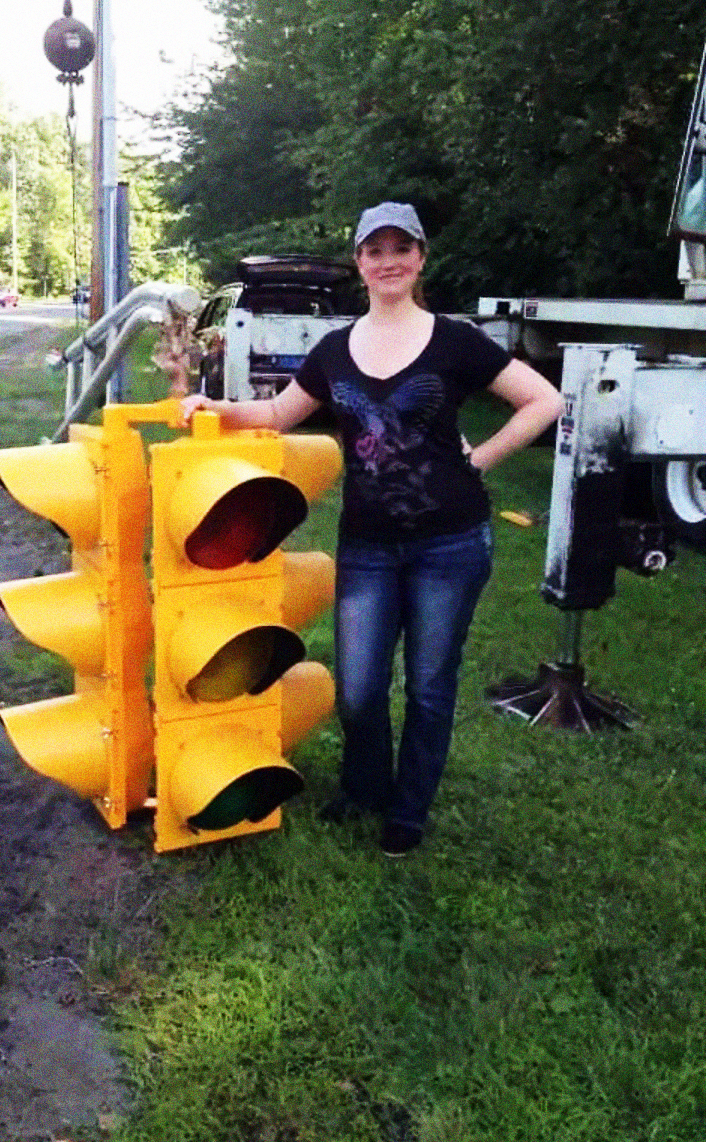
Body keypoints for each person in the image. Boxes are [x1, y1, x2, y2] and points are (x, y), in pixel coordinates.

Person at [180, 201, 564, 856]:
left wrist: (480, 458)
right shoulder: (334, 350)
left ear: (420, 258)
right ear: (360, 263)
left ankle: (406, 811)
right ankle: (364, 788)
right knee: (358, 691)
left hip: (451, 545)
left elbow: (545, 400)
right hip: (368, 549)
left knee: (430, 686)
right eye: (374, 250)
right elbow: (276, 413)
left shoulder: (456, 340)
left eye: (401, 248)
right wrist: (214, 406)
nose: (388, 261)